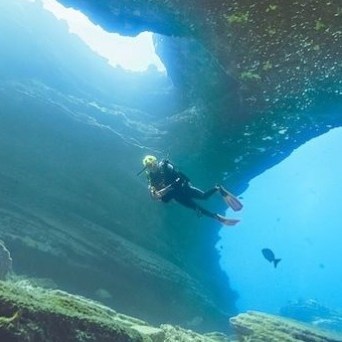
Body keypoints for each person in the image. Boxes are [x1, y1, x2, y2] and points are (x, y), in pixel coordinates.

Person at [140, 155, 242, 226]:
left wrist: (170, 187)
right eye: (149, 167)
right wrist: (160, 191)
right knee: (196, 208)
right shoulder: (151, 177)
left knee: (204, 197)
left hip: (184, 188)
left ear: (155, 162)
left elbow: (179, 177)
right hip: (177, 195)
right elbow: (154, 196)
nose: (152, 168)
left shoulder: (166, 166)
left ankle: (218, 188)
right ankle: (216, 217)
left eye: (152, 165)